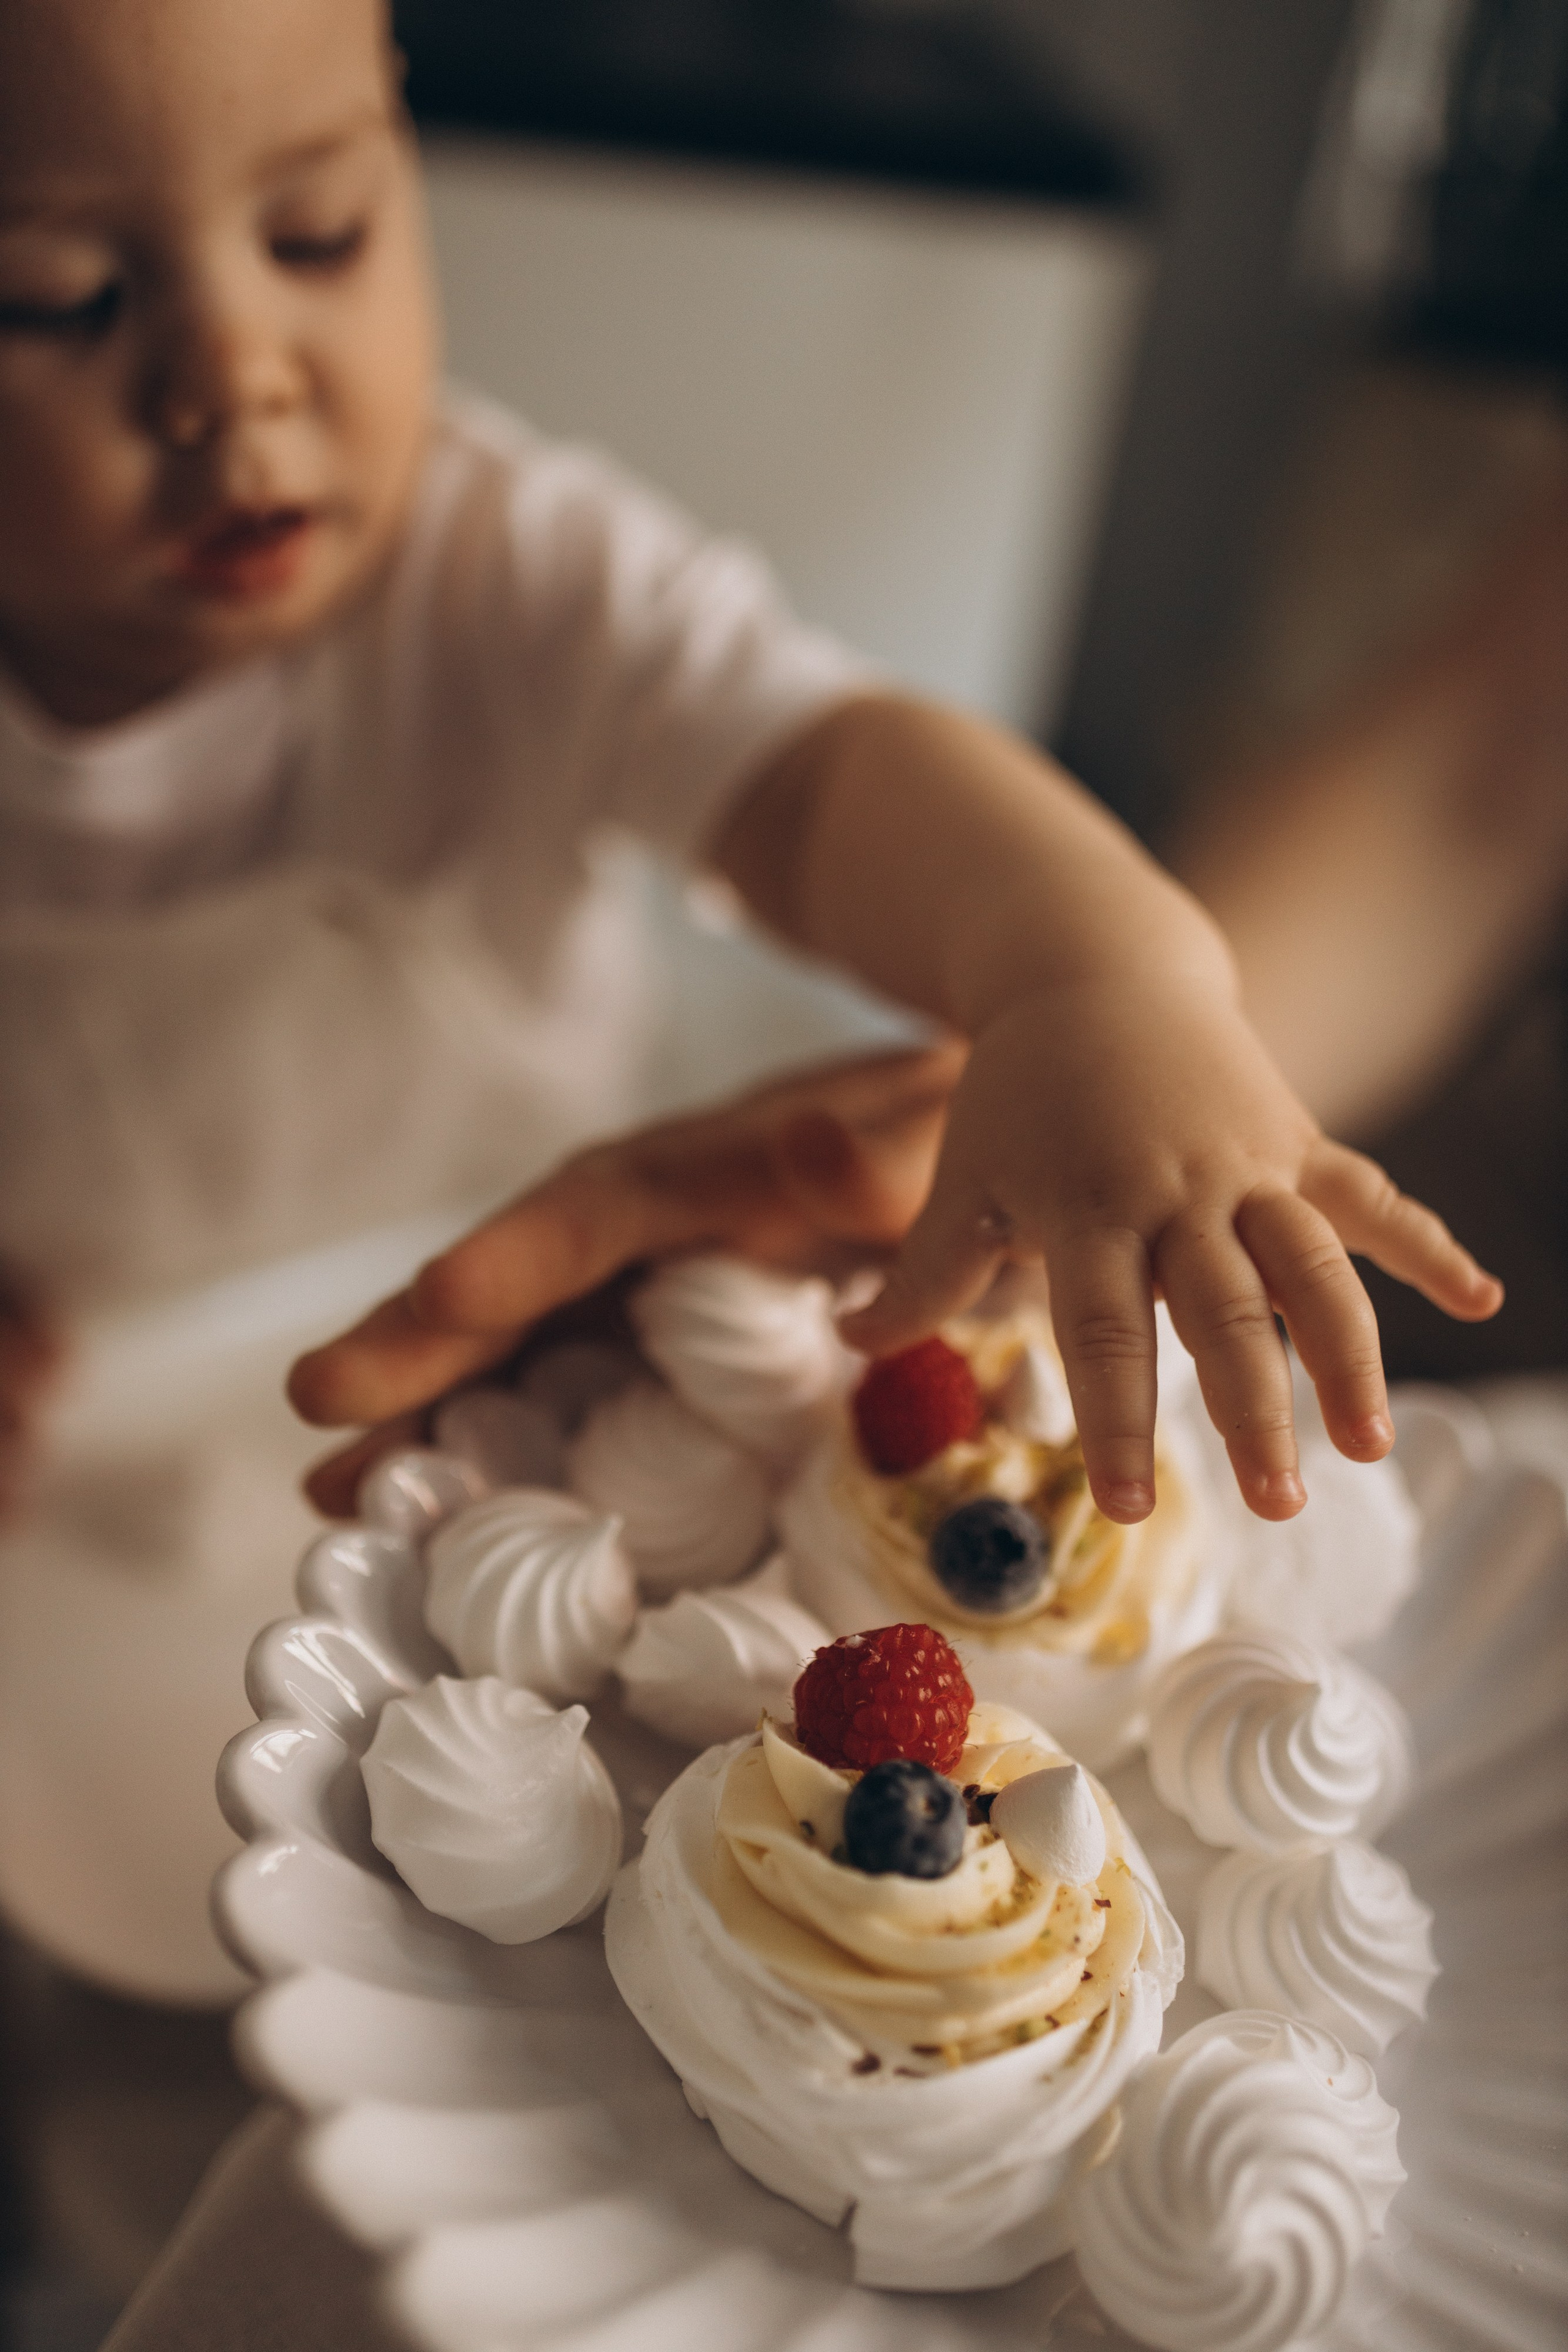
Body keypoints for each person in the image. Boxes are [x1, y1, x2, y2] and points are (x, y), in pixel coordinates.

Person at [0, 0, 1504, 2019]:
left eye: (324, 234)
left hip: (520, 1352)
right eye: (63, 300)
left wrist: (1088, 967)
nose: (235, 373)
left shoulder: (503, 572)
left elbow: (820, 775)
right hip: (69, 1411)